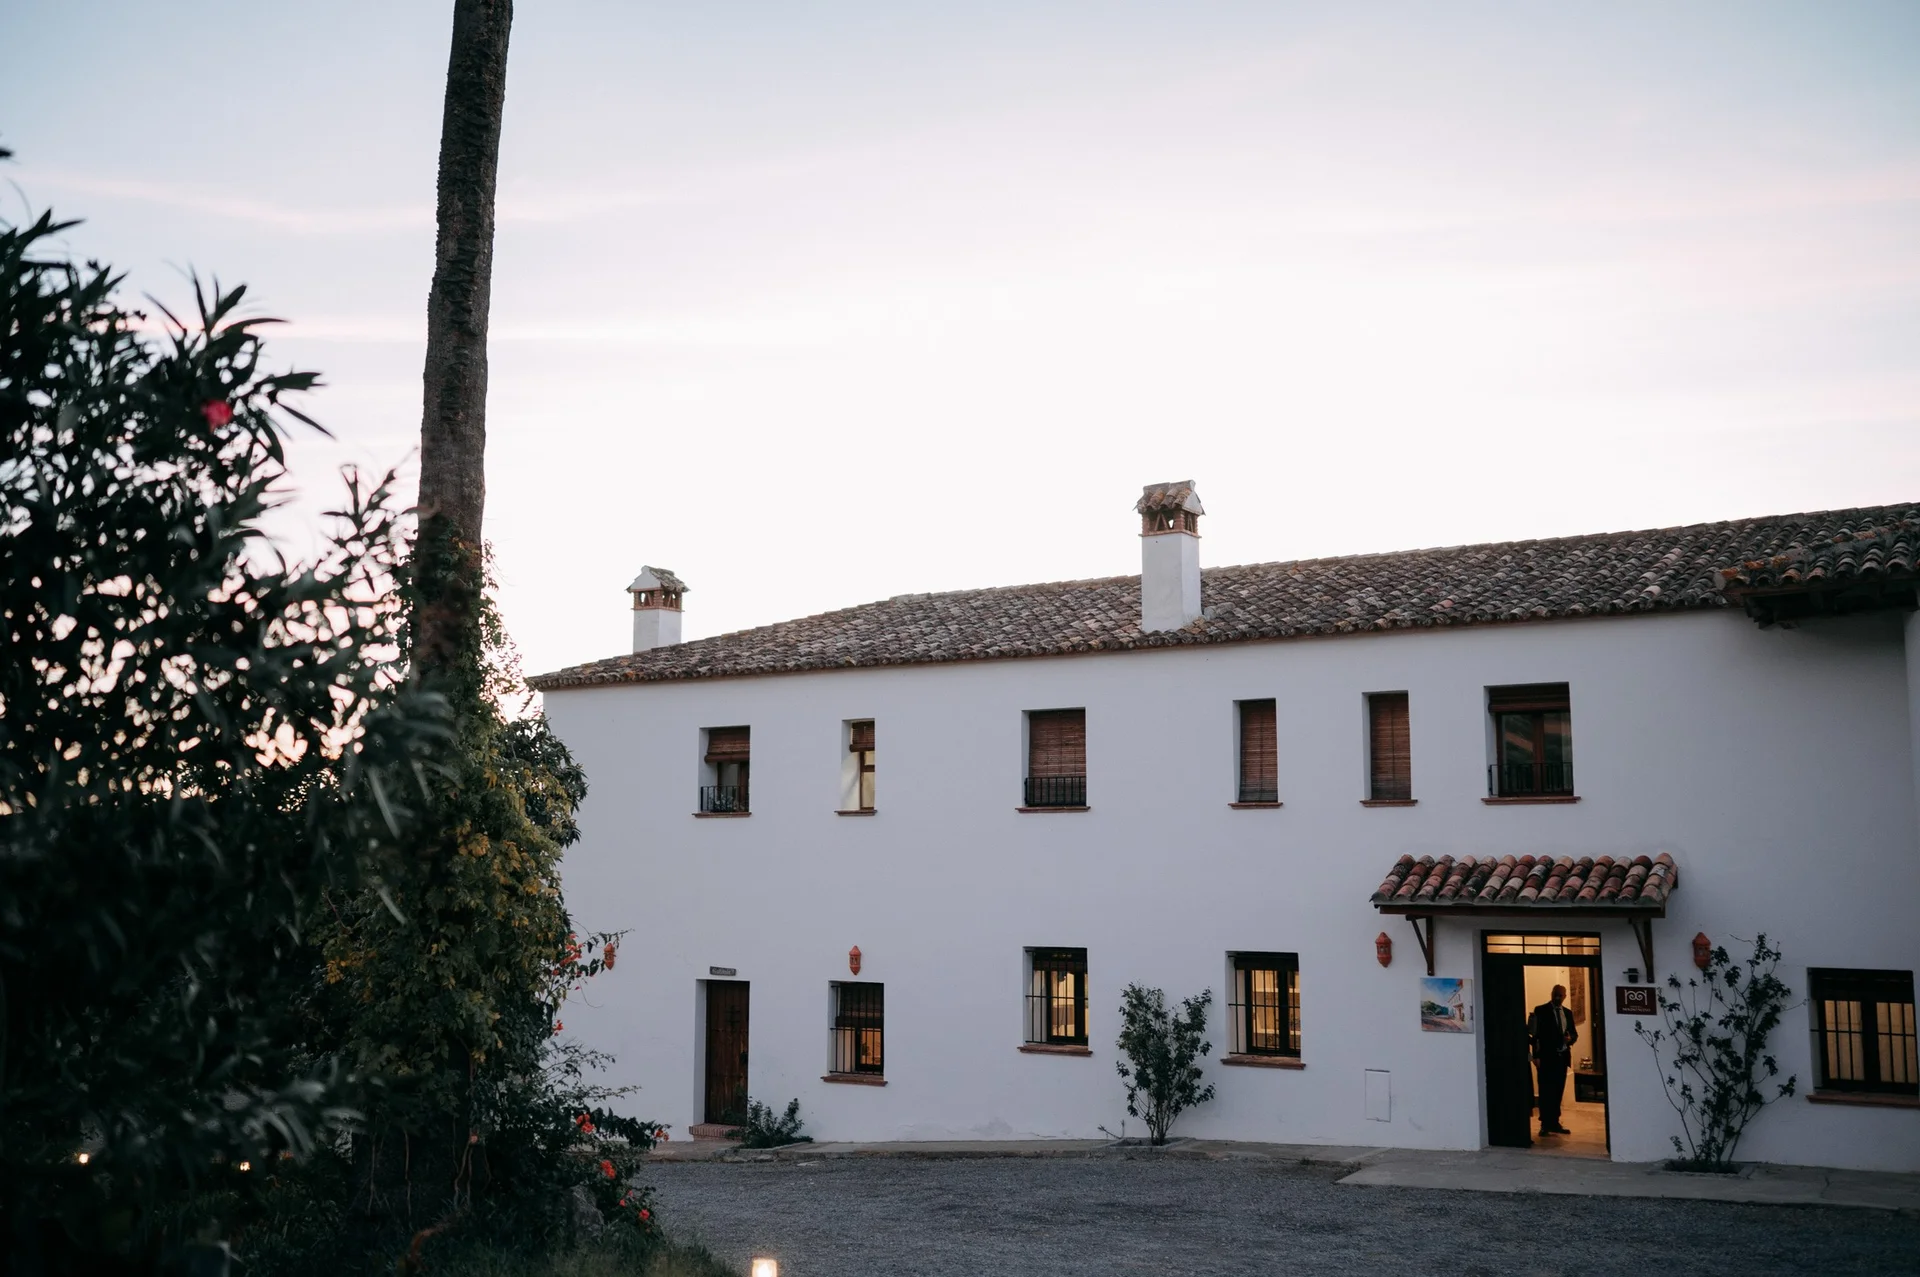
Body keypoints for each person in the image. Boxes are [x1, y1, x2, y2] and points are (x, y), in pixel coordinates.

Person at [1528, 983, 1578, 1137]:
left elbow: (1574, 1033)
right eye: (1555, 994)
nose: (1557, 998)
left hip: (1562, 1057)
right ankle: (1545, 1123)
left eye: (1560, 996)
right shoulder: (1541, 1010)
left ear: (1565, 997)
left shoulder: (1567, 1013)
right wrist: (1536, 1056)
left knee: (1558, 1090)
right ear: (1551, 994)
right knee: (1545, 1090)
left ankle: (1554, 1122)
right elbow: (1535, 1036)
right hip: (1546, 1057)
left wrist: (1570, 1039)